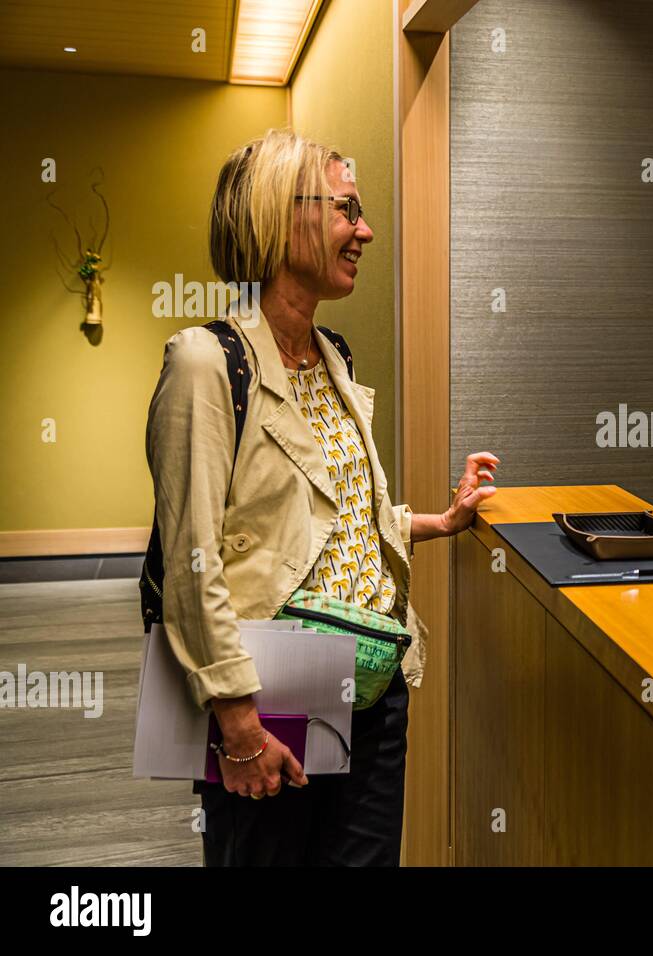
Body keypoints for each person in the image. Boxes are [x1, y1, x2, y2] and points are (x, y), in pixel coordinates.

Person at [145, 128, 499, 865]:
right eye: (347, 209)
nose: (365, 230)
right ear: (281, 217)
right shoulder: (206, 364)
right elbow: (192, 563)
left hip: (372, 689)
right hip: (268, 702)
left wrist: (439, 519)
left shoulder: (333, 354)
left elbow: (322, 524)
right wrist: (238, 721)